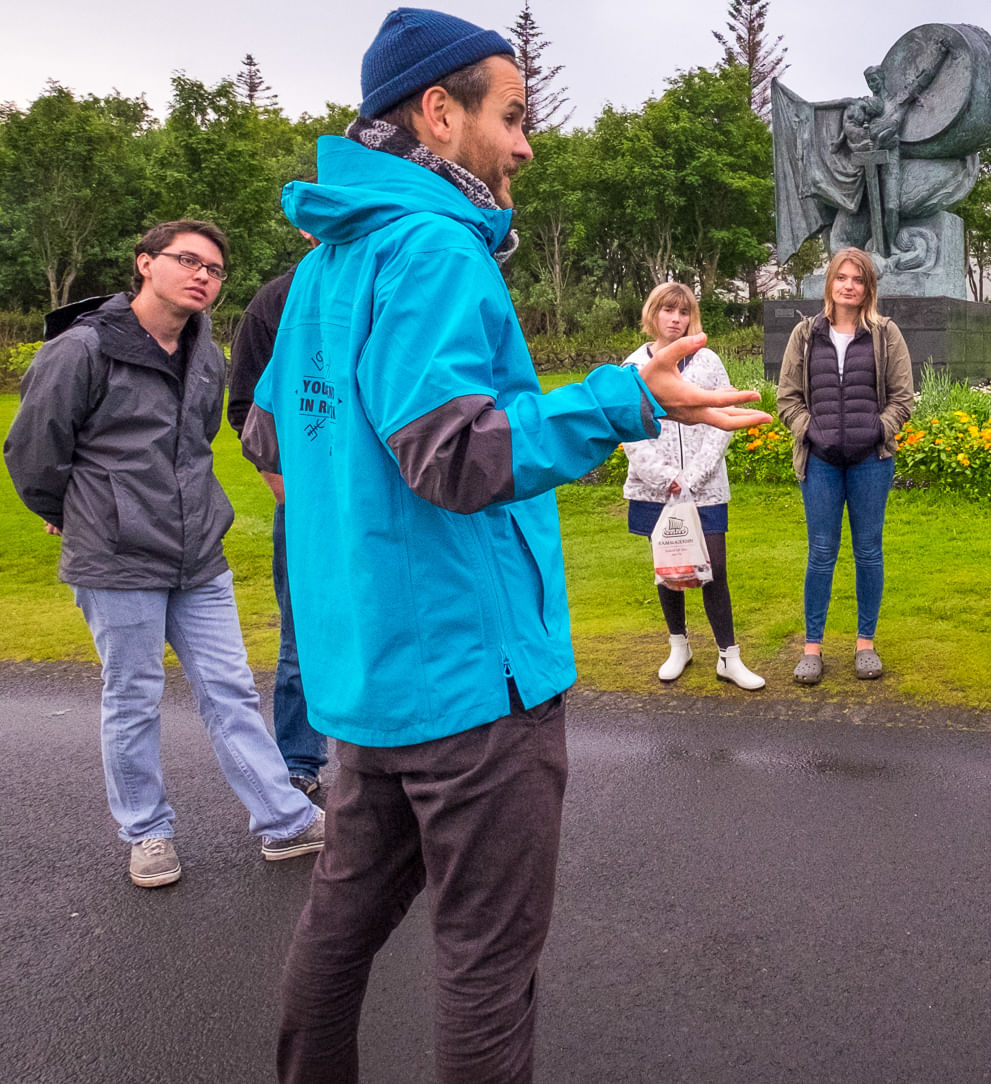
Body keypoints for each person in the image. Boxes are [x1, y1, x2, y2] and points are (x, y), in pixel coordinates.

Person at [238, 11, 768, 1081]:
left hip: (372, 681)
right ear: (439, 114)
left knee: (336, 935)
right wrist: (622, 394)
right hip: (475, 685)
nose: (526, 143)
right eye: (512, 115)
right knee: (486, 965)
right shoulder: (432, 245)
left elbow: (267, 434)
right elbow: (454, 455)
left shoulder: (327, 264)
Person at [5, 220, 326, 888]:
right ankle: (147, 832)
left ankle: (283, 820)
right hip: (116, 556)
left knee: (230, 689)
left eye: (214, 268)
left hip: (196, 553)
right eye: (187, 260)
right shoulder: (84, 350)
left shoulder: (206, 355)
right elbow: (34, 448)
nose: (202, 275)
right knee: (133, 695)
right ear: (145, 264)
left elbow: (196, 445)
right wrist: (65, 513)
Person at [775, 246, 915, 685]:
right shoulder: (804, 334)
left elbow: (903, 399)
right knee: (820, 553)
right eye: (842, 278)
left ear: (868, 286)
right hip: (820, 462)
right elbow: (787, 397)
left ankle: (865, 643)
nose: (849, 286)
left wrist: (878, 428)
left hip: (870, 461)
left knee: (868, 551)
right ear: (830, 284)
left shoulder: (885, 334)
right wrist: (809, 430)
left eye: (857, 279)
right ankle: (812, 647)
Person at [619, 282, 766, 690]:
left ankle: (729, 657)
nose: (676, 319)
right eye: (668, 310)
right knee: (670, 569)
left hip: (704, 488)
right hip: (655, 489)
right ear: (653, 314)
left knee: (713, 569)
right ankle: (678, 645)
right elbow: (630, 432)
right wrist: (667, 479)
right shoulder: (632, 368)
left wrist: (693, 477)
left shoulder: (708, 361)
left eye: (683, 312)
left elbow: (724, 417)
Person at [228, 239, 328, 800]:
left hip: (386, 500)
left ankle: (392, 756)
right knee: (302, 634)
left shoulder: (390, 280)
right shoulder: (277, 301)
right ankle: (301, 758)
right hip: (307, 500)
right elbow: (244, 406)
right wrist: (286, 488)